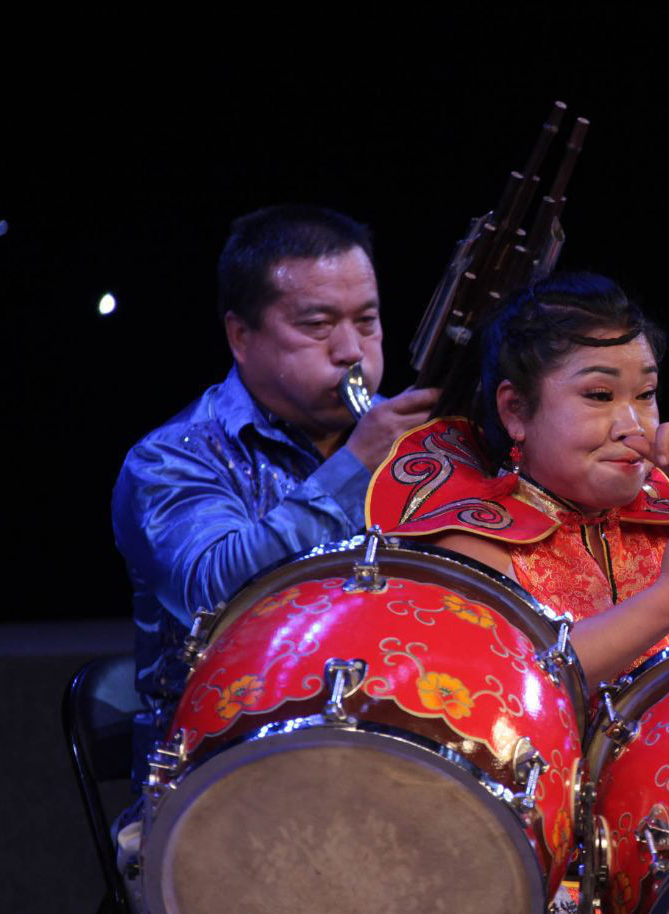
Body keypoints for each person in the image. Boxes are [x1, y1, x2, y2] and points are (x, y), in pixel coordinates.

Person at [365, 272, 669, 684]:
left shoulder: (659, 528)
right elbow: (529, 674)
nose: (632, 425)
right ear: (515, 410)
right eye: (599, 395)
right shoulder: (473, 537)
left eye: (646, 394)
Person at [112, 204, 440, 777]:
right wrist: (358, 465)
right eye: (317, 326)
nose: (351, 350)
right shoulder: (170, 459)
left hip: (396, 753)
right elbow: (212, 594)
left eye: (367, 321)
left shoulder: (415, 446)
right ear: (241, 335)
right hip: (221, 777)